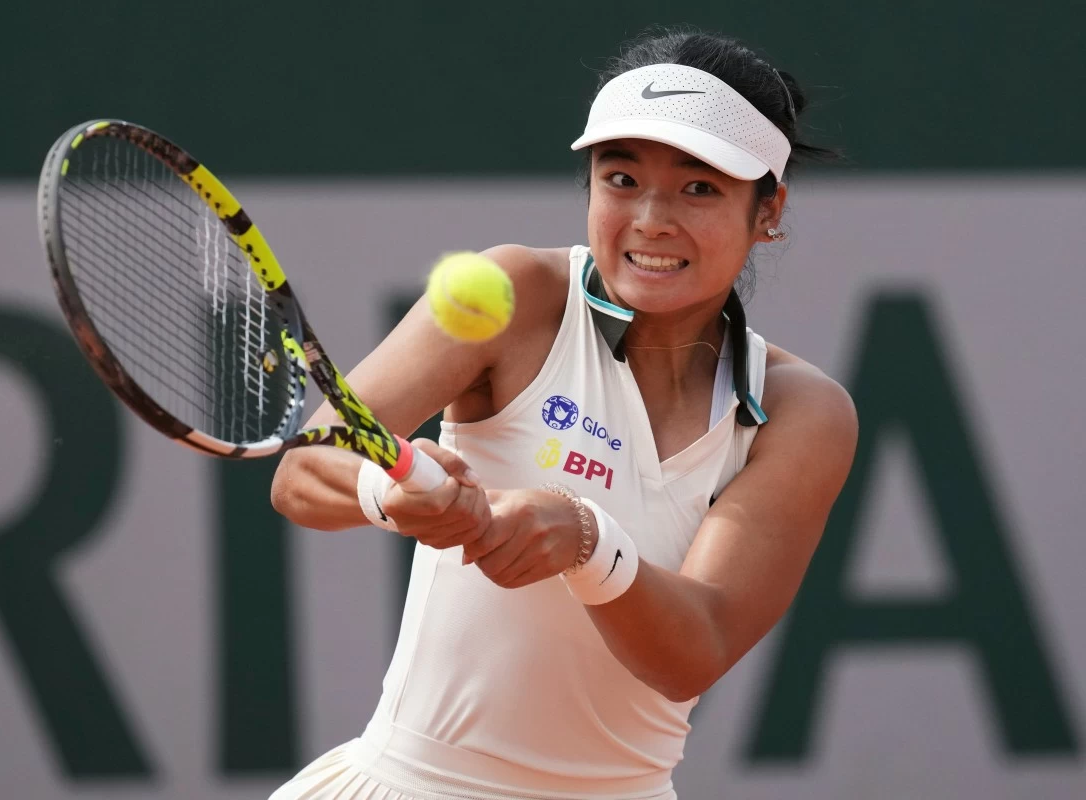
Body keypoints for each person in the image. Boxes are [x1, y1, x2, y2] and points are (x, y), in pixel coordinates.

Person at [268, 26, 857, 800]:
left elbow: (697, 646)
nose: (650, 218)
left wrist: (587, 542)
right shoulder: (514, 293)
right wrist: (390, 495)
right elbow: (304, 471)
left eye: (699, 187)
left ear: (768, 209)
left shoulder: (801, 411)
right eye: (620, 179)